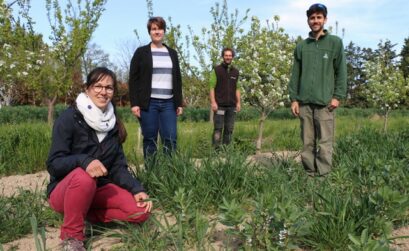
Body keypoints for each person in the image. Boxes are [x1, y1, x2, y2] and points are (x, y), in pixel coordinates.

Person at [46, 67, 152, 251]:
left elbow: (118, 167)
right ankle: (72, 238)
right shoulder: (69, 118)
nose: (103, 92)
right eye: (98, 86)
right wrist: (84, 161)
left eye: (109, 88)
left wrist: (136, 188)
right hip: (65, 190)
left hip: (99, 189)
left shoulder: (112, 124)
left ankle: (81, 213)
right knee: (84, 177)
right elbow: (54, 164)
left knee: (140, 211)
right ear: (87, 88)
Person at [289, 3, 347, 177]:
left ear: (325, 20)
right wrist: (294, 98)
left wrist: (337, 96)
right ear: (308, 21)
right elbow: (295, 74)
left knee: (324, 141)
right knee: (307, 142)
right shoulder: (301, 46)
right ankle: (309, 173)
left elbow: (341, 71)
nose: (315, 21)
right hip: (304, 102)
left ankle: (323, 176)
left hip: (325, 103)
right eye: (312, 18)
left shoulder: (334, 43)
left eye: (318, 17)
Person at [129, 16, 183, 160]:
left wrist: (179, 102)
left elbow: (177, 78)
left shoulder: (172, 53)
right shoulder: (141, 53)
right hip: (149, 103)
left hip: (169, 103)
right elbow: (133, 79)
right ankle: (152, 174)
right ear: (149, 32)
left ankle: (169, 173)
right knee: (150, 139)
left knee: (170, 138)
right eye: (154, 29)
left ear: (164, 31)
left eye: (159, 28)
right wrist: (134, 103)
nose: (157, 31)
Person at [209, 48, 241, 148]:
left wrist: (238, 102)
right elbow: (211, 87)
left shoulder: (235, 72)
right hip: (219, 106)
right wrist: (213, 102)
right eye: (226, 55)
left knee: (229, 129)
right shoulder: (216, 70)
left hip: (232, 106)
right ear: (223, 56)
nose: (228, 57)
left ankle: (226, 151)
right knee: (218, 129)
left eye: (230, 55)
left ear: (232, 57)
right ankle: (216, 151)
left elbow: (238, 88)